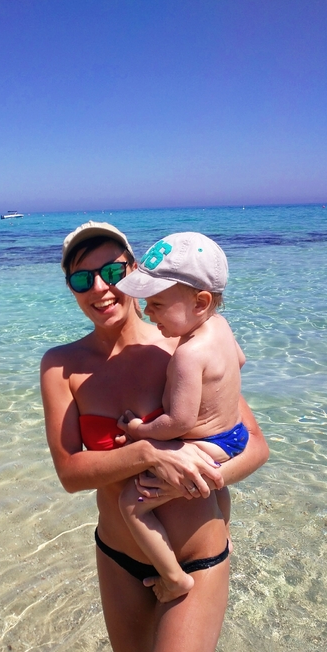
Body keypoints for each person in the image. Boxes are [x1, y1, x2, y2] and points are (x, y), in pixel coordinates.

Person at [40, 221, 268, 652]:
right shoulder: (61, 366)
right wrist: (147, 453)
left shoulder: (182, 343)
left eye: (113, 270)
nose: (101, 288)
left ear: (134, 271)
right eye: (82, 279)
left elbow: (255, 444)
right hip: (118, 556)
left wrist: (203, 476)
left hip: (195, 560)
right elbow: (70, 473)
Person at [114, 233, 249, 600]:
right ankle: (224, 533)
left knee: (131, 505)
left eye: (157, 303)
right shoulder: (220, 326)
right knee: (220, 491)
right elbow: (239, 360)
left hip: (207, 443)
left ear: (200, 302)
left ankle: (175, 578)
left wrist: (140, 429)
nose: (147, 312)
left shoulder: (188, 355)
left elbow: (180, 422)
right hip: (235, 435)